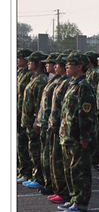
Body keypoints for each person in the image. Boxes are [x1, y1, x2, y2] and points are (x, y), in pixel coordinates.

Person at [56, 52, 97, 212]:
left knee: (80, 170)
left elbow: (87, 114)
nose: (66, 66)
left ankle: (81, 202)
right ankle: (73, 198)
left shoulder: (84, 86)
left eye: (70, 64)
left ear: (79, 66)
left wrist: (85, 136)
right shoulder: (73, 84)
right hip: (67, 135)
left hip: (77, 136)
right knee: (69, 170)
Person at [20, 51, 49, 189]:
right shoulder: (34, 78)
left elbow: (39, 103)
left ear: (38, 63)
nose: (29, 62)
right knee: (30, 148)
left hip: (34, 121)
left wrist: (37, 120)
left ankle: (38, 176)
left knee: (36, 149)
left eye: (31, 61)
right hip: (27, 119)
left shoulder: (41, 80)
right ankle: (32, 174)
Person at [46, 54, 72, 204]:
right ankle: (59, 189)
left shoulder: (67, 83)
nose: (54, 67)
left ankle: (63, 191)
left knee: (60, 161)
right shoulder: (59, 81)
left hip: (62, 127)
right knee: (54, 159)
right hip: (54, 125)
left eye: (57, 65)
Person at [35, 52, 62, 195]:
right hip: (45, 123)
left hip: (51, 124)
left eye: (50, 63)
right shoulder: (52, 80)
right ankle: (48, 183)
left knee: (50, 157)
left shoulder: (60, 82)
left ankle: (52, 184)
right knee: (46, 155)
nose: (47, 65)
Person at [17, 49, 34, 184]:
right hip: (18, 113)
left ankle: (27, 171)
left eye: (20, 57)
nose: (17, 59)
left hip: (25, 114)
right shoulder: (19, 73)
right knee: (19, 143)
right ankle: (21, 169)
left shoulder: (29, 75)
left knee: (25, 143)